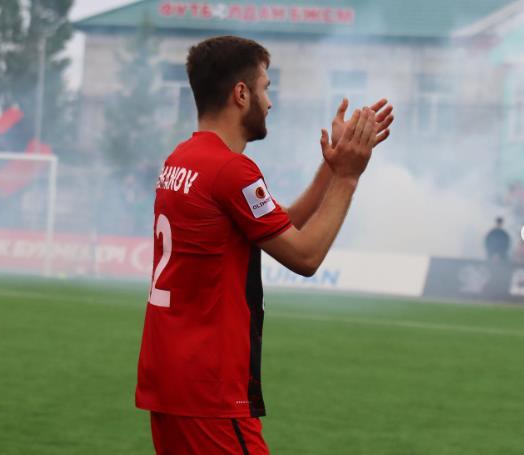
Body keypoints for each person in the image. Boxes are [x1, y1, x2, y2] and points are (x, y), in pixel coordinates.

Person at [135, 36, 394, 455]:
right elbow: (305, 255)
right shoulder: (231, 170)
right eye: (266, 88)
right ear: (241, 94)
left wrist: (331, 168)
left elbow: (279, 226)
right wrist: (348, 176)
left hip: (170, 383)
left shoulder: (181, 160)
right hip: (210, 393)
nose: (270, 102)